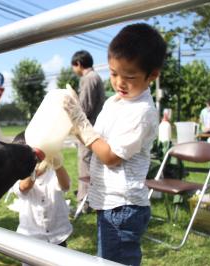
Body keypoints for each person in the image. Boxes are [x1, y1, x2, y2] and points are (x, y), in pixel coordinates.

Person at [63, 23, 166, 265]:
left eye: (129, 76)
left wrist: (80, 124)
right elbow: (95, 140)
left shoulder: (141, 112)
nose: (119, 82)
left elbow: (110, 156)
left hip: (123, 207)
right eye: (113, 73)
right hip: (109, 202)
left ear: (152, 75)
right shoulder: (115, 102)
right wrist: (74, 123)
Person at [12, 132, 72, 265]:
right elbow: (24, 187)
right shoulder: (19, 176)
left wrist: (58, 165)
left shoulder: (52, 172)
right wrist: (34, 172)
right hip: (31, 237)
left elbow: (65, 185)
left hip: (57, 235)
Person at [71, 50, 105, 213]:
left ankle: (84, 203)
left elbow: (85, 107)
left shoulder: (89, 78)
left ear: (78, 64)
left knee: (85, 163)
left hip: (88, 129)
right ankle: (91, 199)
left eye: (73, 66)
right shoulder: (95, 77)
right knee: (92, 164)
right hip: (95, 128)